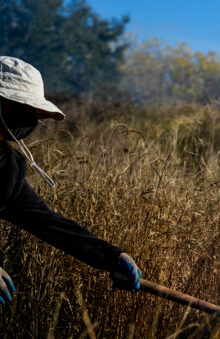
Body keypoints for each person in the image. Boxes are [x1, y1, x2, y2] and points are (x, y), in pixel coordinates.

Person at [0, 56, 142, 305]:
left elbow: (46, 222)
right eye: (20, 108)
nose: (30, 118)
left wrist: (111, 256)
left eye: (31, 111)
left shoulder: (6, 169)